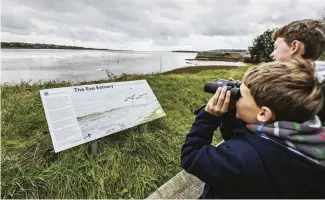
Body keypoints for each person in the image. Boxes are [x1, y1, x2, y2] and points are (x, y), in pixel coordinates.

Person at [181, 59, 325, 198]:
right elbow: (253, 141)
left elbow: (192, 155)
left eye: (240, 95)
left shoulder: (238, 159)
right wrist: (233, 113)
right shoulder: (309, 141)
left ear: (263, 113)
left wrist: (208, 117)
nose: (236, 98)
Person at [270, 19, 325, 121]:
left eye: (276, 47)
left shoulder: (299, 91)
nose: (272, 54)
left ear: (295, 47)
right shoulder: (319, 82)